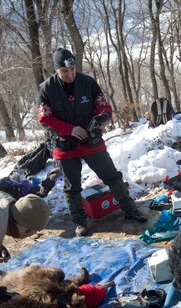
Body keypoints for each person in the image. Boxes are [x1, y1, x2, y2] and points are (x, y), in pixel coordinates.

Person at [37, 48, 147, 237]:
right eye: (64, 72)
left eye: (72, 70)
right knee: (72, 186)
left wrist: (103, 117)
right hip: (65, 145)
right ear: (56, 70)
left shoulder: (87, 82)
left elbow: (103, 105)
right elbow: (44, 118)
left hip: (91, 140)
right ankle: (80, 222)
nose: (70, 75)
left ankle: (130, 210)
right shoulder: (47, 88)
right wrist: (69, 129)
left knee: (113, 176)